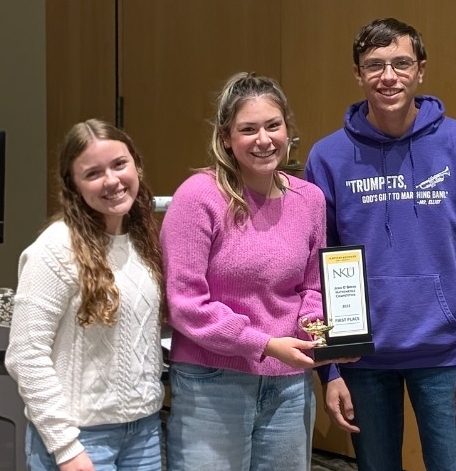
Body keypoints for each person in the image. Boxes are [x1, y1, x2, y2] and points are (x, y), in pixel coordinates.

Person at [304, 17, 456, 471]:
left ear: (421, 70)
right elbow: (318, 268)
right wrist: (329, 368)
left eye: (400, 63)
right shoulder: (327, 157)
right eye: (374, 65)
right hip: (361, 356)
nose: (388, 77)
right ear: (357, 74)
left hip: (447, 353)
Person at [160, 72, 346, 471]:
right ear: (226, 137)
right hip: (213, 379)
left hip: (289, 384)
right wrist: (263, 343)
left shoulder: (308, 199)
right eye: (248, 129)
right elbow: (185, 303)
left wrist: (318, 338)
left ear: (288, 130)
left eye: (272, 126)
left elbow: (313, 287)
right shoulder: (198, 196)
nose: (263, 140)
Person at [5, 119, 165, 471]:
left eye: (119, 164)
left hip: (144, 432)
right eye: (93, 173)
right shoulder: (54, 250)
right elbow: (25, 356)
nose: (112, 180)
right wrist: (65, 448)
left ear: (136, 164)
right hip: (79, 438)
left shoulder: (142, 240)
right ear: (73, 185)